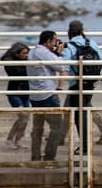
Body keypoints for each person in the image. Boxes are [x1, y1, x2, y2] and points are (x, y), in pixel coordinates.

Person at [60, 20, 102, 149]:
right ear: (82, 31)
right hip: (90, 82)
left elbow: (65, 67)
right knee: (78, 107)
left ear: (69, 32)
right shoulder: (92, 43)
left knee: (78, 111)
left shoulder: (69, 47)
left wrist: (59, 86)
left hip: (76, 84)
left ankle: (82, 143)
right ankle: (60, 137)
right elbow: (101, 60)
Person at [26, 30, 69, 162]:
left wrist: (55, 54)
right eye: (55, 41)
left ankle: (35, 155)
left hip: (35, 94)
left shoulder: (33, 51)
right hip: (47, 94)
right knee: (57, 127)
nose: (56, 43)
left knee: (38, 127)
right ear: (48, 41)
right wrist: (60, 53)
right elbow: (60, 65)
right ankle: (49, 155)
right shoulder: (43, 52)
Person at [2, 41, 32, 149]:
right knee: (23, 116)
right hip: (14, 92)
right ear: (17, 54)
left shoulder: (26, 61)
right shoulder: (10, 63)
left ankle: (17, 140)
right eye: (24, 53)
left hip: (26, 92)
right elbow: (18, 74)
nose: (26, 56)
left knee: (25, 117)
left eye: (27, 53)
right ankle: (10, 139)